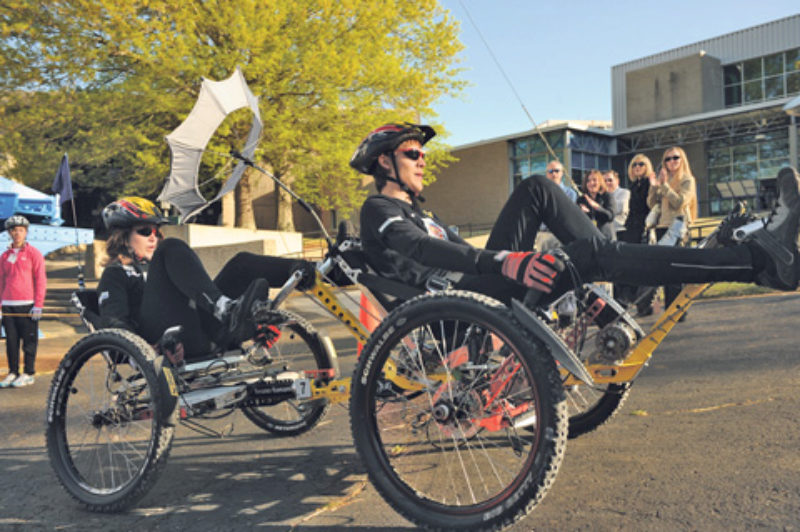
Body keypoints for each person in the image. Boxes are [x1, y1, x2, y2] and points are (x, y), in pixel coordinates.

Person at [352, 123, 800, 310]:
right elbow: (417, 248)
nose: (423, 159)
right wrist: (503, 260)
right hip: (457, 304)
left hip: (477, 289)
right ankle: (757, 261)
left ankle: (625, 274)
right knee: (587, 252)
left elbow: (444, 244)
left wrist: (501, 259)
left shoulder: (417, 210)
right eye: (412, 152)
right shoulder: (378, 209)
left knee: (537, 188)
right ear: (384, 164)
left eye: (423, 152)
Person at [97, 197, 311, 360]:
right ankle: (227, 310)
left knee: (241, 264)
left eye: (156, 231)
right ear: (122, 237)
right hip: (169, 341)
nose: (154, 237)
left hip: (202, 331)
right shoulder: (115, 274)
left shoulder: (165, 266)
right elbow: (114, 323)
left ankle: (320, 270)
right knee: (170, 246)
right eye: (145, 231)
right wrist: (145, 352)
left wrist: (255, 329)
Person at [646, 146, 698, 314]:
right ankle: (669, 308)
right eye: (667, 159)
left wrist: (665, 185)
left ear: (682, 159)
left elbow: (680, 202)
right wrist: (654, 187)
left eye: (675, 157)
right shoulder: (663, 179)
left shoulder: (687, 179)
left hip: (678, 226)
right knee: (666, 269)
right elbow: (652, 204)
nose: (671, 162)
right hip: (662, 226)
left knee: (677, 269)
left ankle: (678, 310)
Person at [0, 216, 46, 388]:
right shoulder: (4, 256)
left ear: (25, 232)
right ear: (9, 233)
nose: (17, 233)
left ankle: (28, 373)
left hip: (27, 304)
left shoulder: (34, 253)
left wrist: (38, 304)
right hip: (8, 304)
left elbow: (40, 279)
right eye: (13, 230)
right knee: (11, 341)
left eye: (20, 230)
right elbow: (1, 281)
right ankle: (13, 372)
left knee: (29, 341)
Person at [616, 154, 655, 314]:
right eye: (634, 165)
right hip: (631, 228)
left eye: (641, 164)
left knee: (643, 267)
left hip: (645, 226)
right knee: (629, 265)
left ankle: (643, 303)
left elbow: (651, 206)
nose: (637, 167)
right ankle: (628, 300)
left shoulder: (649, 184)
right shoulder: (633, 186)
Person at [577, 169, 615, 240]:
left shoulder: (607, 196)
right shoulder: (581, 199)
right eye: (588, 181)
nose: (591, 183)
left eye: (594, 180)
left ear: (600, 182)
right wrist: (584, 212)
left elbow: (610, 216)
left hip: (605, 238)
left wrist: (596, 206)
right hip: (588, 238)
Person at [604, 170, 630, 240]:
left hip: (620, 231)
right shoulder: (602, 195)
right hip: (606, 232)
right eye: (605, 181)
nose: (607, 183)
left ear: (617, 181)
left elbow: (618, 209)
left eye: (610, 180)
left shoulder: (625, 193)